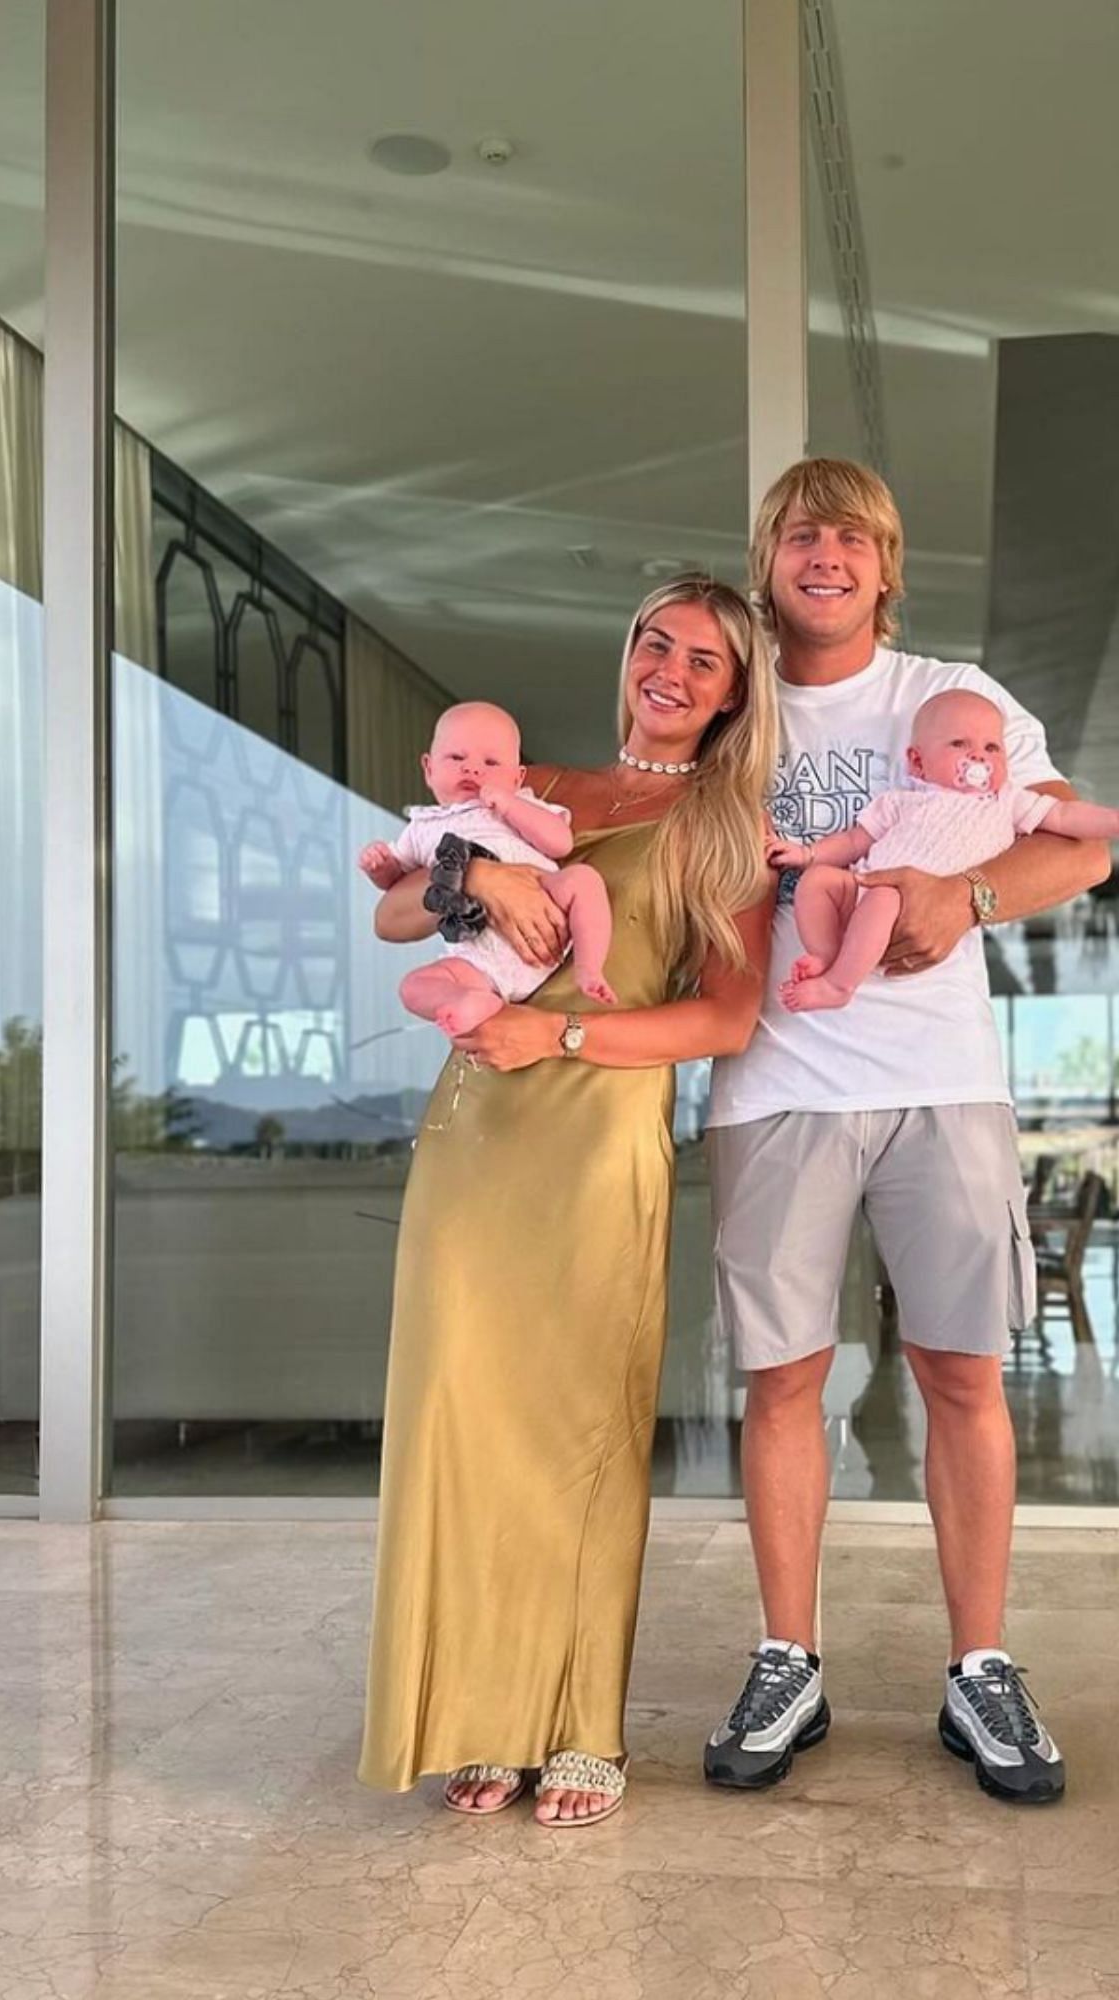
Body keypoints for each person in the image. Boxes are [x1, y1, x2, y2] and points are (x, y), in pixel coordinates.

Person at [703, 459, 1111, 1807]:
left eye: (851, 538)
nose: (824, 555)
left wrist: (968, 897)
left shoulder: (955, 697)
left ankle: (980, 1669)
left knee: (960, 1378)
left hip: (943, 1082)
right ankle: (788, 1659)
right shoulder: (730, 707)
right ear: (769, 561)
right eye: (800, 535)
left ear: (887, 565)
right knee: (781, 1383)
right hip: (771, 1087)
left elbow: (1076, 848)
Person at [358, 574, 777, 1827]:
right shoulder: (519, 788)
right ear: (628, 653)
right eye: (657, 641)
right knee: (460, 1415)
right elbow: (391, 908)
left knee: (580, 1426)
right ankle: (484, 1715)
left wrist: (567, 1042)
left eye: (705, 659)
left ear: (734, 694)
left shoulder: (724, 826)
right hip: (472, 1139)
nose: (673, 669)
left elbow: (728, 1014)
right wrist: (477, 883)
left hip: (598, 1136)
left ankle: (579, 1722)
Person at [770, 686, 1119, 1012]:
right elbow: (854, 840)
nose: (979, 757)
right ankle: (824, 953)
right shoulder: (902, 801)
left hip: (904, 901)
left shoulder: (1008, 803)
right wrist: (807, 856)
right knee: (817, 882)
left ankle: (839, 985)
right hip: (861, 887)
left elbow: (1065, 816)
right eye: (960, 744)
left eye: (993, 748)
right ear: (918, 762)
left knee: (884, 899)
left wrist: (1118, 819)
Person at [357, 700, 617, 1037]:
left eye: (491, 762)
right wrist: (381, 867)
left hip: (548, 922)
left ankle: (589, 967)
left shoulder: (524, 804)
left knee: (583, 880)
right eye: (456, 758)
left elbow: (560, 843)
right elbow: (398, 887)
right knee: (413, 987)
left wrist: (512, 806)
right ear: (428, 768)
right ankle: (476, 1001)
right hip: (477, 962)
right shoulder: (421, 827)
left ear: (517, 776)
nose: (473, 770)